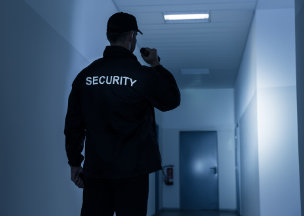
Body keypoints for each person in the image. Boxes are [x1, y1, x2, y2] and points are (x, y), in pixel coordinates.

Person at [64, 12, 180, 216]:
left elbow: (74, 124)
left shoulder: (86, 76)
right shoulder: (144, 76)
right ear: (132, 37)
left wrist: (74, 162)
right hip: (133, 173)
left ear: (109, 36)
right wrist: (156, 65)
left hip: (97, 171)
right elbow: (171, 100)